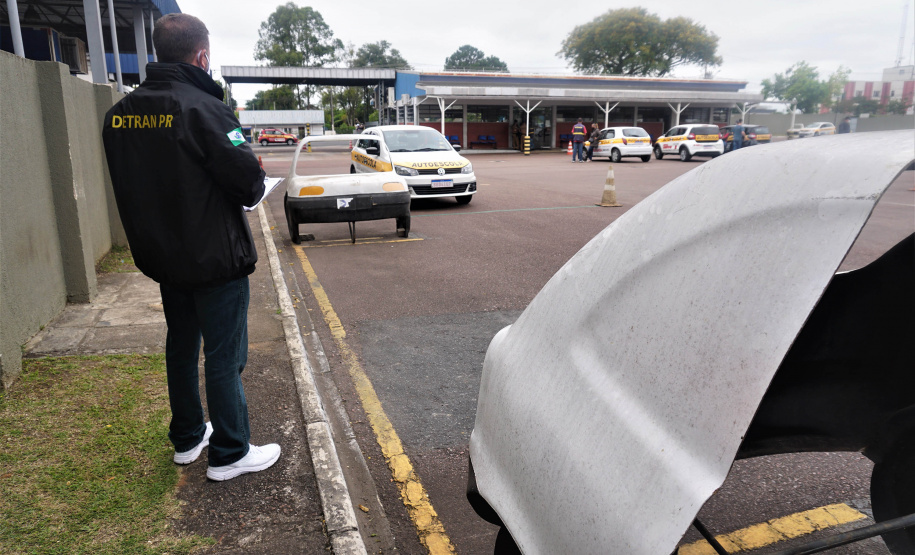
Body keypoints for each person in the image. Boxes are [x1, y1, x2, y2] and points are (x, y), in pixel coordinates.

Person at [102, 13, 281, 482]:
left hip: (164, 256)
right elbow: (247, 184)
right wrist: (254, 172)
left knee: (181, 346)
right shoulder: (205, 108)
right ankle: (229, 452)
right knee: (224, 356)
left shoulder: (120, 114)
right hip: (215, 258)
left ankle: (187, 438)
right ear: (202, 56)